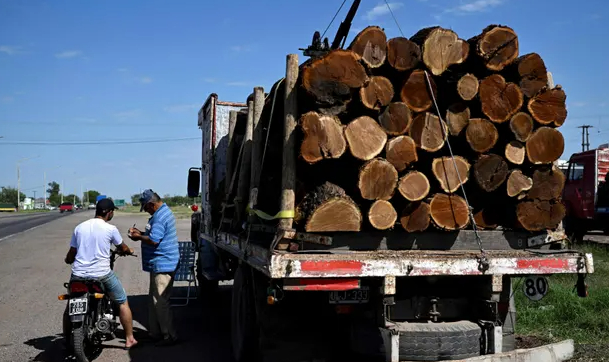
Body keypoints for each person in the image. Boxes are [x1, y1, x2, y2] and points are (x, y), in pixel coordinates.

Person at [64, 198, 138, 349]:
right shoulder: (110, 229)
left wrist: (68, 259)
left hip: (78, 275)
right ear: (109, 213)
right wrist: (129, 251)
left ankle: (67, 341)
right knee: (122, 301)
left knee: (70, 304)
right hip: (102, 275)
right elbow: (122, 247)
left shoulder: (79, 228)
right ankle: (130, 338)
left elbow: (71, 253)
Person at [128, 189, 180, 346]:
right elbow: (154, 236)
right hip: (160, 263)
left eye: (146, 207)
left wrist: (138, 237)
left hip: (163, 263)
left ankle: (169, 335)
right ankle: (156, 332)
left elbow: (154, 240)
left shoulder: (159, 217)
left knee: (160, 301)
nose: (146, 210)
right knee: (154, 300)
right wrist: (142, 233)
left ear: (151, 204)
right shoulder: (161, 214)